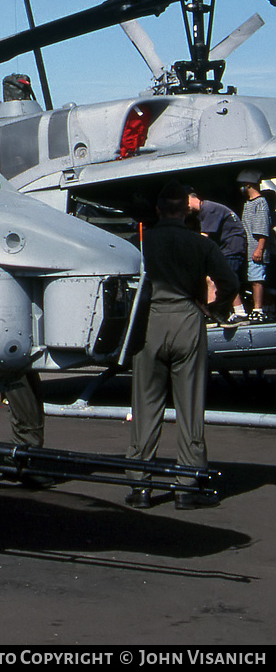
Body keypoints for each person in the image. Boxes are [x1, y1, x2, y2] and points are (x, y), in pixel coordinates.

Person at [127, 183, 237, 510]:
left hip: (150, 322)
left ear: (159, 210)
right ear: (185, 211)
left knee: (146, 406)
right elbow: (229, 282)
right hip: (188, 320)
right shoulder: (199, 244)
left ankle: (140, 485)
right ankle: (187, 487)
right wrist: (215, 311)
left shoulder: (141, 244)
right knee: (190, 407)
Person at [189, 188, 247, 321]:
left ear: (189, 198)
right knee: (210, 279)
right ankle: (212, 313)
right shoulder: (204, 211)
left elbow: (204, 238)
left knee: (226, 279)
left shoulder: (208, 209)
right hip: (225, 248)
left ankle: (240, 313)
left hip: (232, 247)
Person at [237, 170, 268, 322]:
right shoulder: (248, 203)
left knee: (257, 279)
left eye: (242, 185)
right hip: (249, 248)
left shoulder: (260, 203)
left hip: (256, 248)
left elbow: (263, 229)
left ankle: (258, 309)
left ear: (248, 184)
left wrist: (260, 248)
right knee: (252, 279)